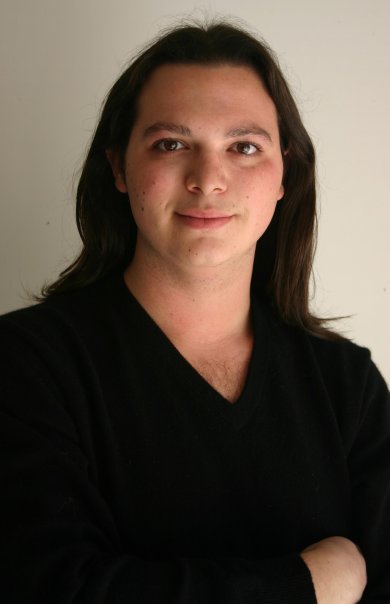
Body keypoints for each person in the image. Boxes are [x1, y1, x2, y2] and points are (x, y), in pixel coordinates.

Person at [0, 20, 389, 603]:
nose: (208, 180)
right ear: (118, 169)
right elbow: (48, 589)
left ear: (285, 173)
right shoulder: (27, 364)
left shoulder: (346, 384)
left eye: (244, 147)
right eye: (171, 144)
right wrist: (307, 585)